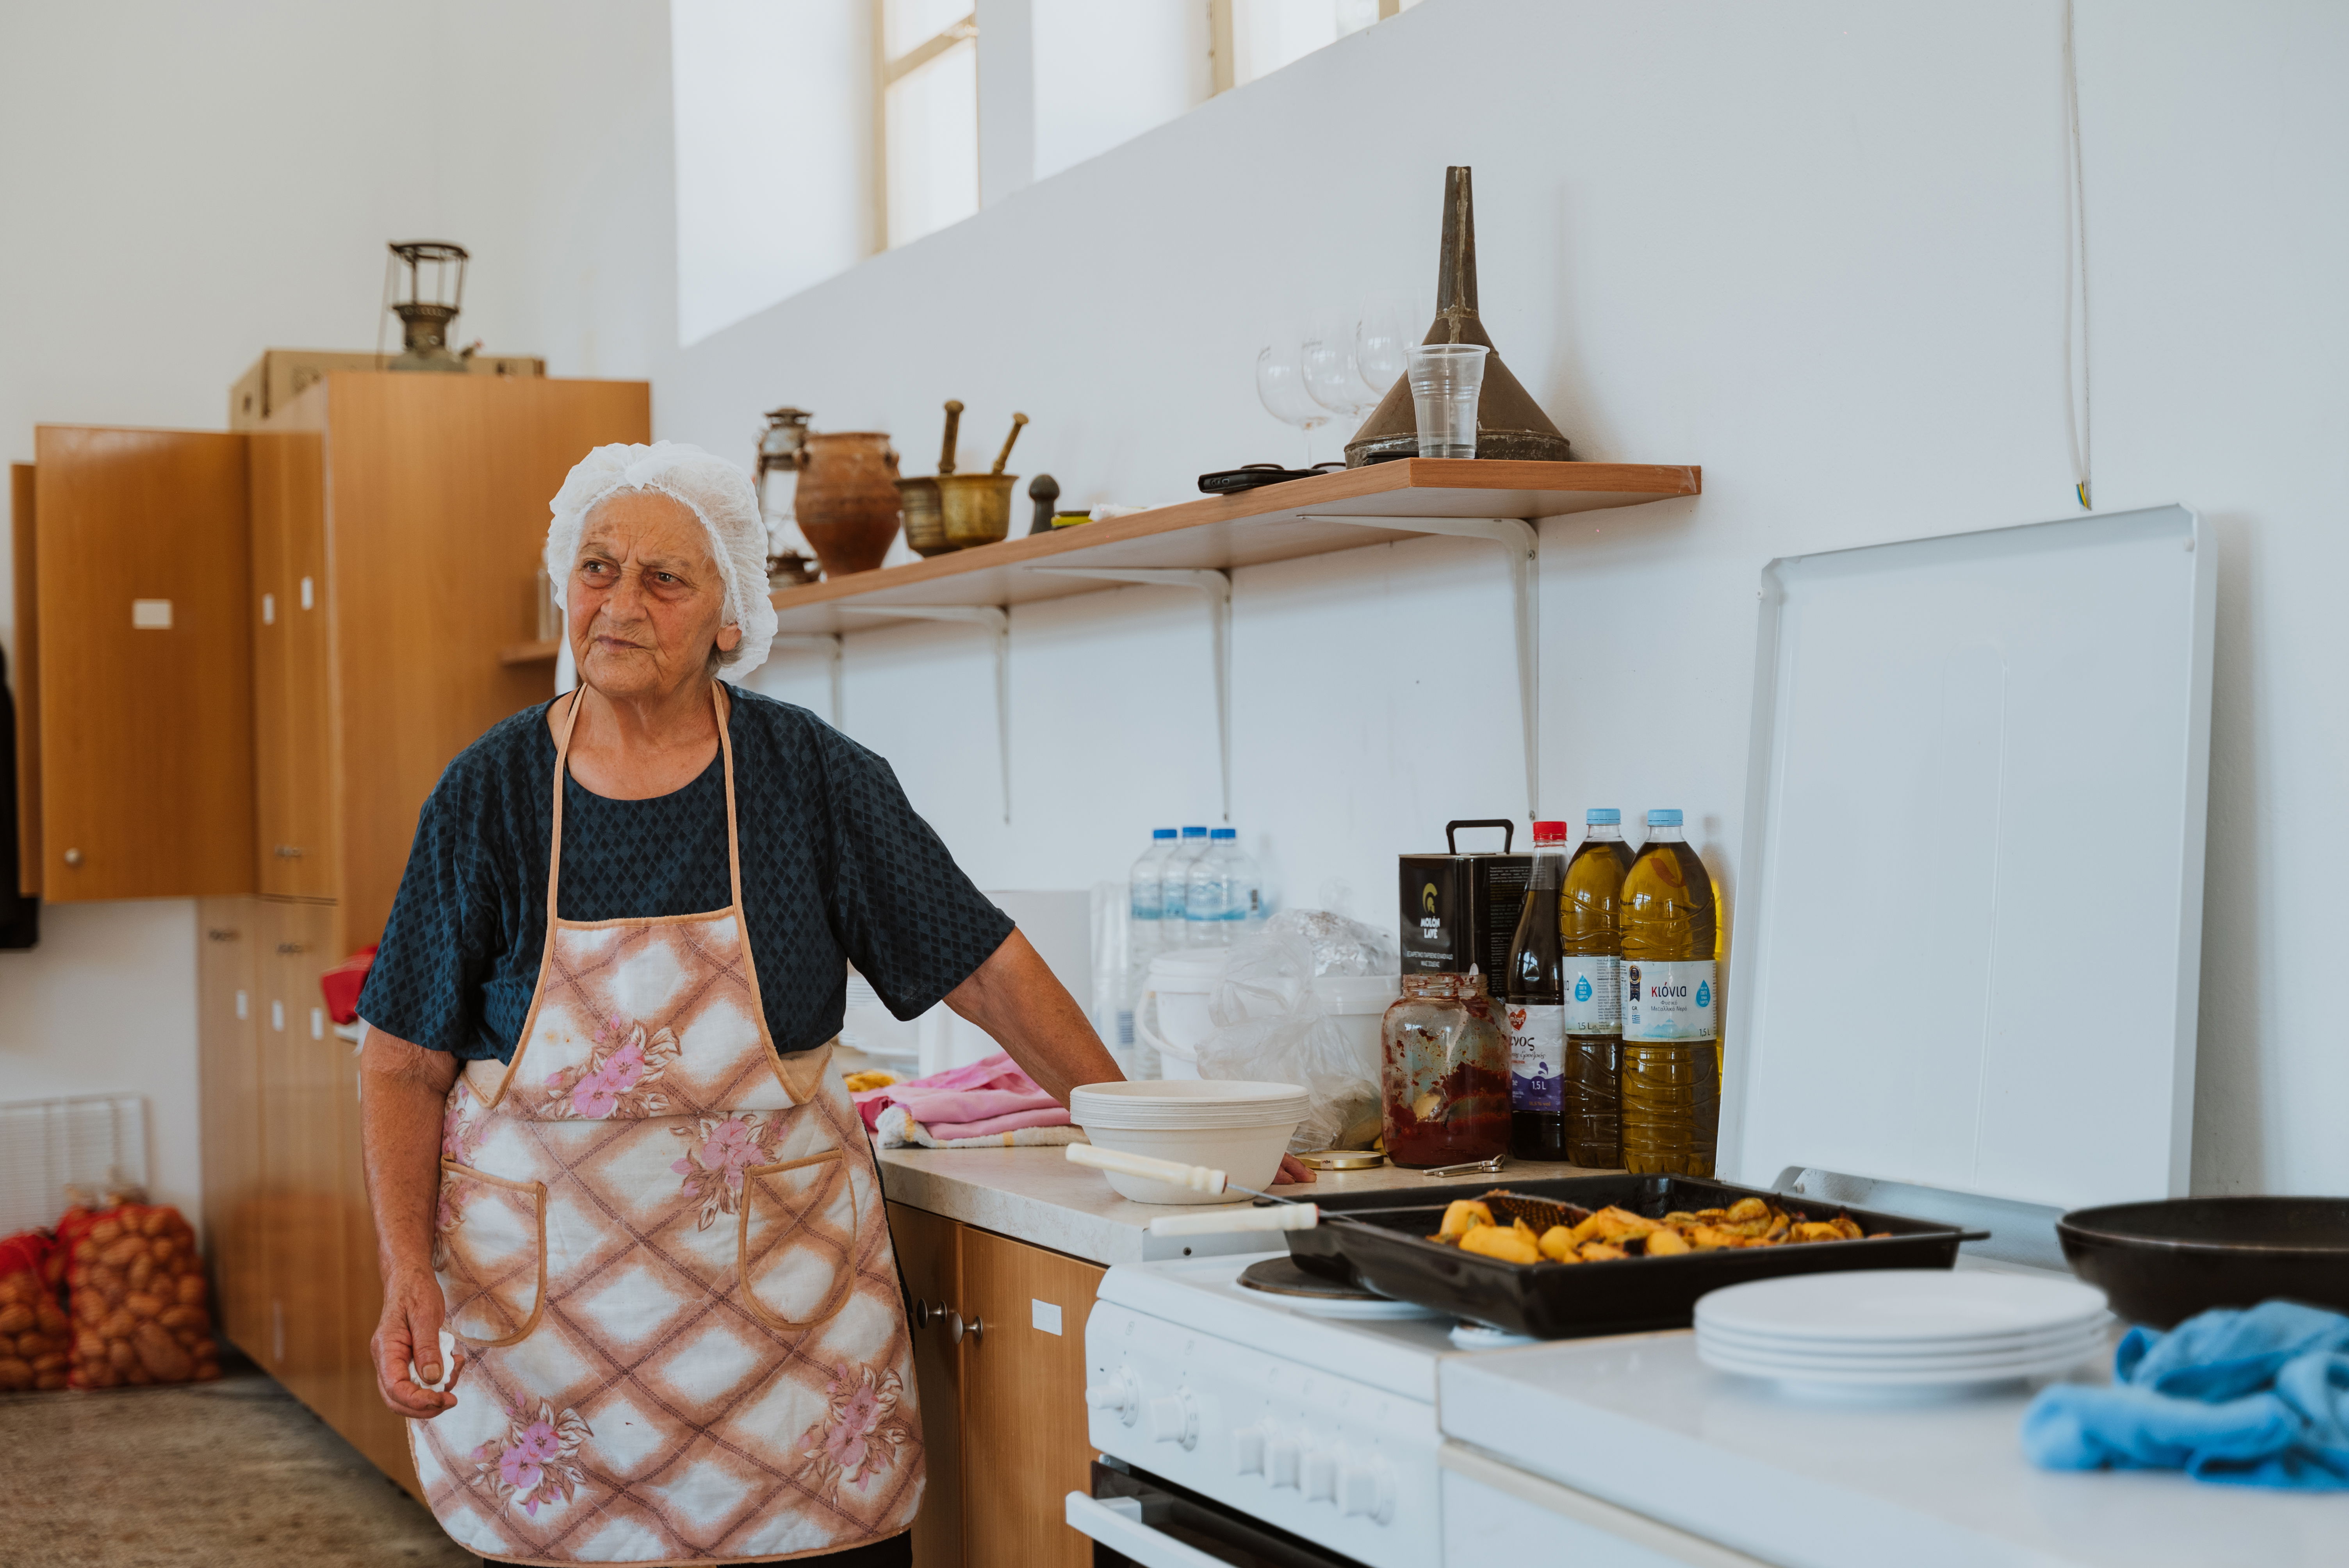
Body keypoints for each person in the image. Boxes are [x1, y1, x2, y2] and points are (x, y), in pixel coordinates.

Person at [353, 442, 1307, 1566]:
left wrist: (1137, 1123)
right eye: (598, 568)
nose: (620, 603)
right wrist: (407, 1270)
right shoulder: (491, 793)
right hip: (554, 1343)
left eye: (667, 579)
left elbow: (981, 963)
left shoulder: (809, 777)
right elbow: (402, 1059)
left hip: (783, 1337)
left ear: (730, 618)